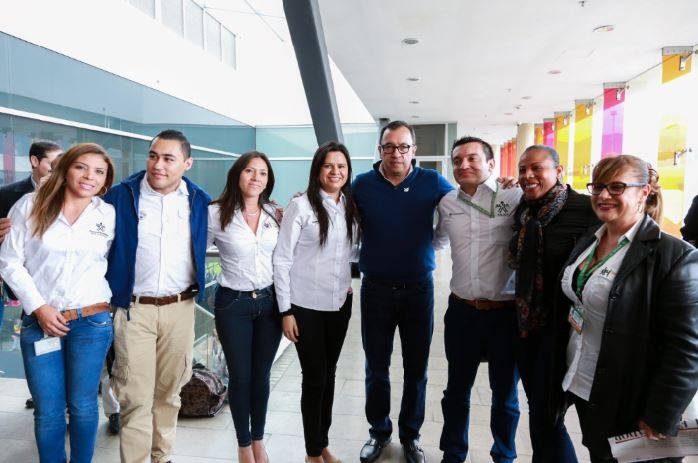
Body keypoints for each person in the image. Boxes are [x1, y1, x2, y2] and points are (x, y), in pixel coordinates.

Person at [556, 155, 698, 462]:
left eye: (617, 187)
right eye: (598, 187)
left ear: (644, 192)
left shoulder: (674, 256)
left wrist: (661, 414)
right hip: (585, 384)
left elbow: (686, 348)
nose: (603, 195)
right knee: (600, 454)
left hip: (632, 398)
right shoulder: (590, 239)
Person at [0, 142, 116, 462]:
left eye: (99, 171)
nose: (89, 176)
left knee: (83, 405)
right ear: (65, 169)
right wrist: (39, 307)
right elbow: (9, 261)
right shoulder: (30, 205)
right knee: (49, 410)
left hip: (92, 321)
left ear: (106, 180)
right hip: (41, 321)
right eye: (81, 167)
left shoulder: (107, 214)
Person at [104, 129, 211, 463]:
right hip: (134, 310)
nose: (158, 165)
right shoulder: (121, 196)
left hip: (180, 308)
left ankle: (162, 457)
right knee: (135, 397)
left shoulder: (200, 201)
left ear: (187, 163)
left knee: (169, 393)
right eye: (153, 156)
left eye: (168, 158)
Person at [353, 120, 453, 463]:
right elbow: (334, 211)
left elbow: (465, 204)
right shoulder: (362, 185)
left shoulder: (433, 181)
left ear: (414, 150)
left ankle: (411, 436)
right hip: (376, 290)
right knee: (376, 367)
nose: (396, 153)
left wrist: (501, 189)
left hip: (418, 291)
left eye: (403, 146)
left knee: (416, 368)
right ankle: (379, 432)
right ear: (380, 149)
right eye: (389, 146)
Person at [509, 144, 599, 463]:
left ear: (558, 171)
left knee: (549, 414)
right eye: (523, 169)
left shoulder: (586, 210)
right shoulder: (524, 210)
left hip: (566, 331)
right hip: (528, 326)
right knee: (540, 411)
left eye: (537, 168)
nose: (528, 175)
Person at [434, 136, 521, 463]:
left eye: (472, 158)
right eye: (457, 160)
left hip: (505, 314)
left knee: (505, 395)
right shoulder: (447, 203)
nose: (464, 165)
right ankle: (453, 454)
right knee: (456, 391)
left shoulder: (513, 196)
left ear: (491, 164)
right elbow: (438, 240)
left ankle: (504, 456)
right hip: (462, 311)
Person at [274, 141, 360, 463]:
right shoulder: (301, 207)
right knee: (314, 377)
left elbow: (352, 253)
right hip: (305, 306)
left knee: (330, 373)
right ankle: (312, 454)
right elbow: (282, 260)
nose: (335, 172)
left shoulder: (351, 206)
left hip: (339, 303)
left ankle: (322, 443)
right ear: (317, 169)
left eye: (341, 166)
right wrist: (285, 311)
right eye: (328, 165)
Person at [208, 151, 282, 463]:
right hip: (233, 304)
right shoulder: (216, 213)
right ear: (237, 174)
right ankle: (243, 445)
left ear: (268, 180)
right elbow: (193, 251)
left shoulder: (274, 213)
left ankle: (259, 440)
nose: (256, 178)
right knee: (240, 377)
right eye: (250, 171)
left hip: (270, 303)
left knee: (261, 376)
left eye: (262, 173)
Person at [0, 140, 62, 369]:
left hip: (56, 284)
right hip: (15, 284)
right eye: (52, 163)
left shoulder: (73, 195)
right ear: (35, 161)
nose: (58, 168)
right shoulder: (7, 194)